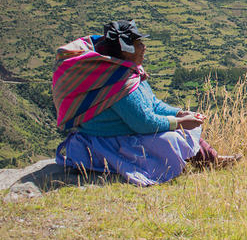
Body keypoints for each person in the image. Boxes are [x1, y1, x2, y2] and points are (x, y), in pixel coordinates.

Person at [53, 20, 228, 186]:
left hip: (125, 132)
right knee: (169, 139)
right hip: (107, 141)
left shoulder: (126, 72)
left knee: (183, 130)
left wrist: (178, 113)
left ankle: (213, 159)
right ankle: (208, 162)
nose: (144, 48)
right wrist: (180, 123)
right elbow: (143, 123)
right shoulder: (116, 83)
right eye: (138, 44)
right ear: (125, 51)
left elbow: (153, 103)